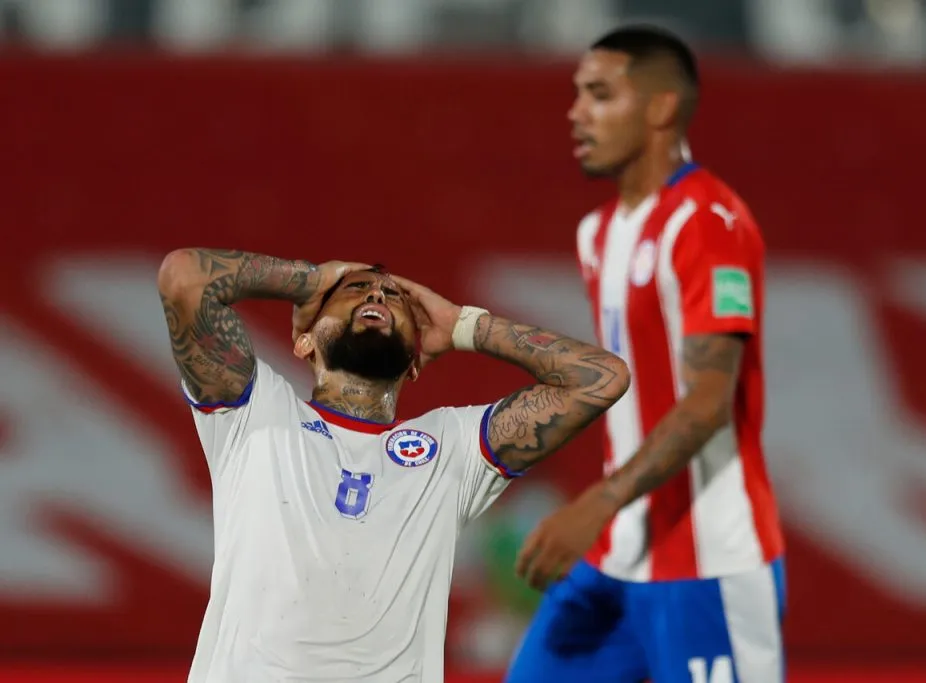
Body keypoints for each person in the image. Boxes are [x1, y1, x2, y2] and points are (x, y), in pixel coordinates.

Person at [156, 249, 630, 683]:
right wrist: (311, 279)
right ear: (303, 343)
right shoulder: (256, 411)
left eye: (394, 297)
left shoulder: (452, 446)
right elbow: (184, 277)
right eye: (355, 290)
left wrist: (465, 325)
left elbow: (601, 379)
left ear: (415, 364)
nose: (378, 293)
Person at [505, 25, 786, 683]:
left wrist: (597, 502)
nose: (576, 112)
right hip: (617, 555)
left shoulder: (709, 224)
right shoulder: (597, 233)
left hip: (709, 561)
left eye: (599, 95)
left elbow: (709, 402)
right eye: (576, 94)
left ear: (661, 108)